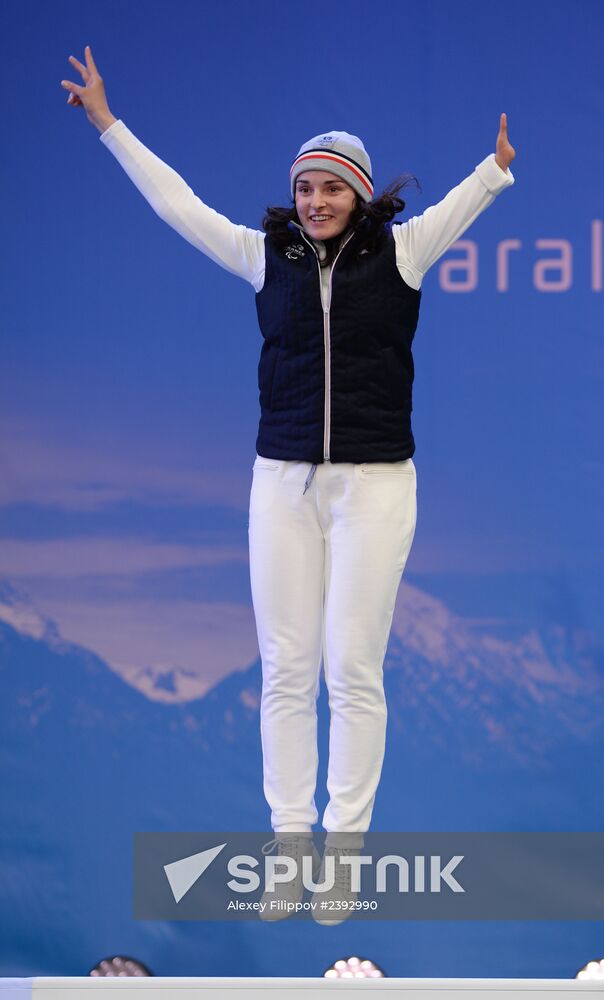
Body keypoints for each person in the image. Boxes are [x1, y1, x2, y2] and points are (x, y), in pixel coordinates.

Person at [62, 46, 516, 925]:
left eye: (332, 189)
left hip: (376, 487)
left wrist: (494, 173)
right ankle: (287, 849)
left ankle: (342, 858)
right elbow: (176, 205)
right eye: (305, 188)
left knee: (352, 667)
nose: (315, 201)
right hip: (281, 484)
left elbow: (462, 205)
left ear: (361, 194)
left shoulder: (406, 253)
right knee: (286, 668)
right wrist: (109, 126)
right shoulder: (263, 257)